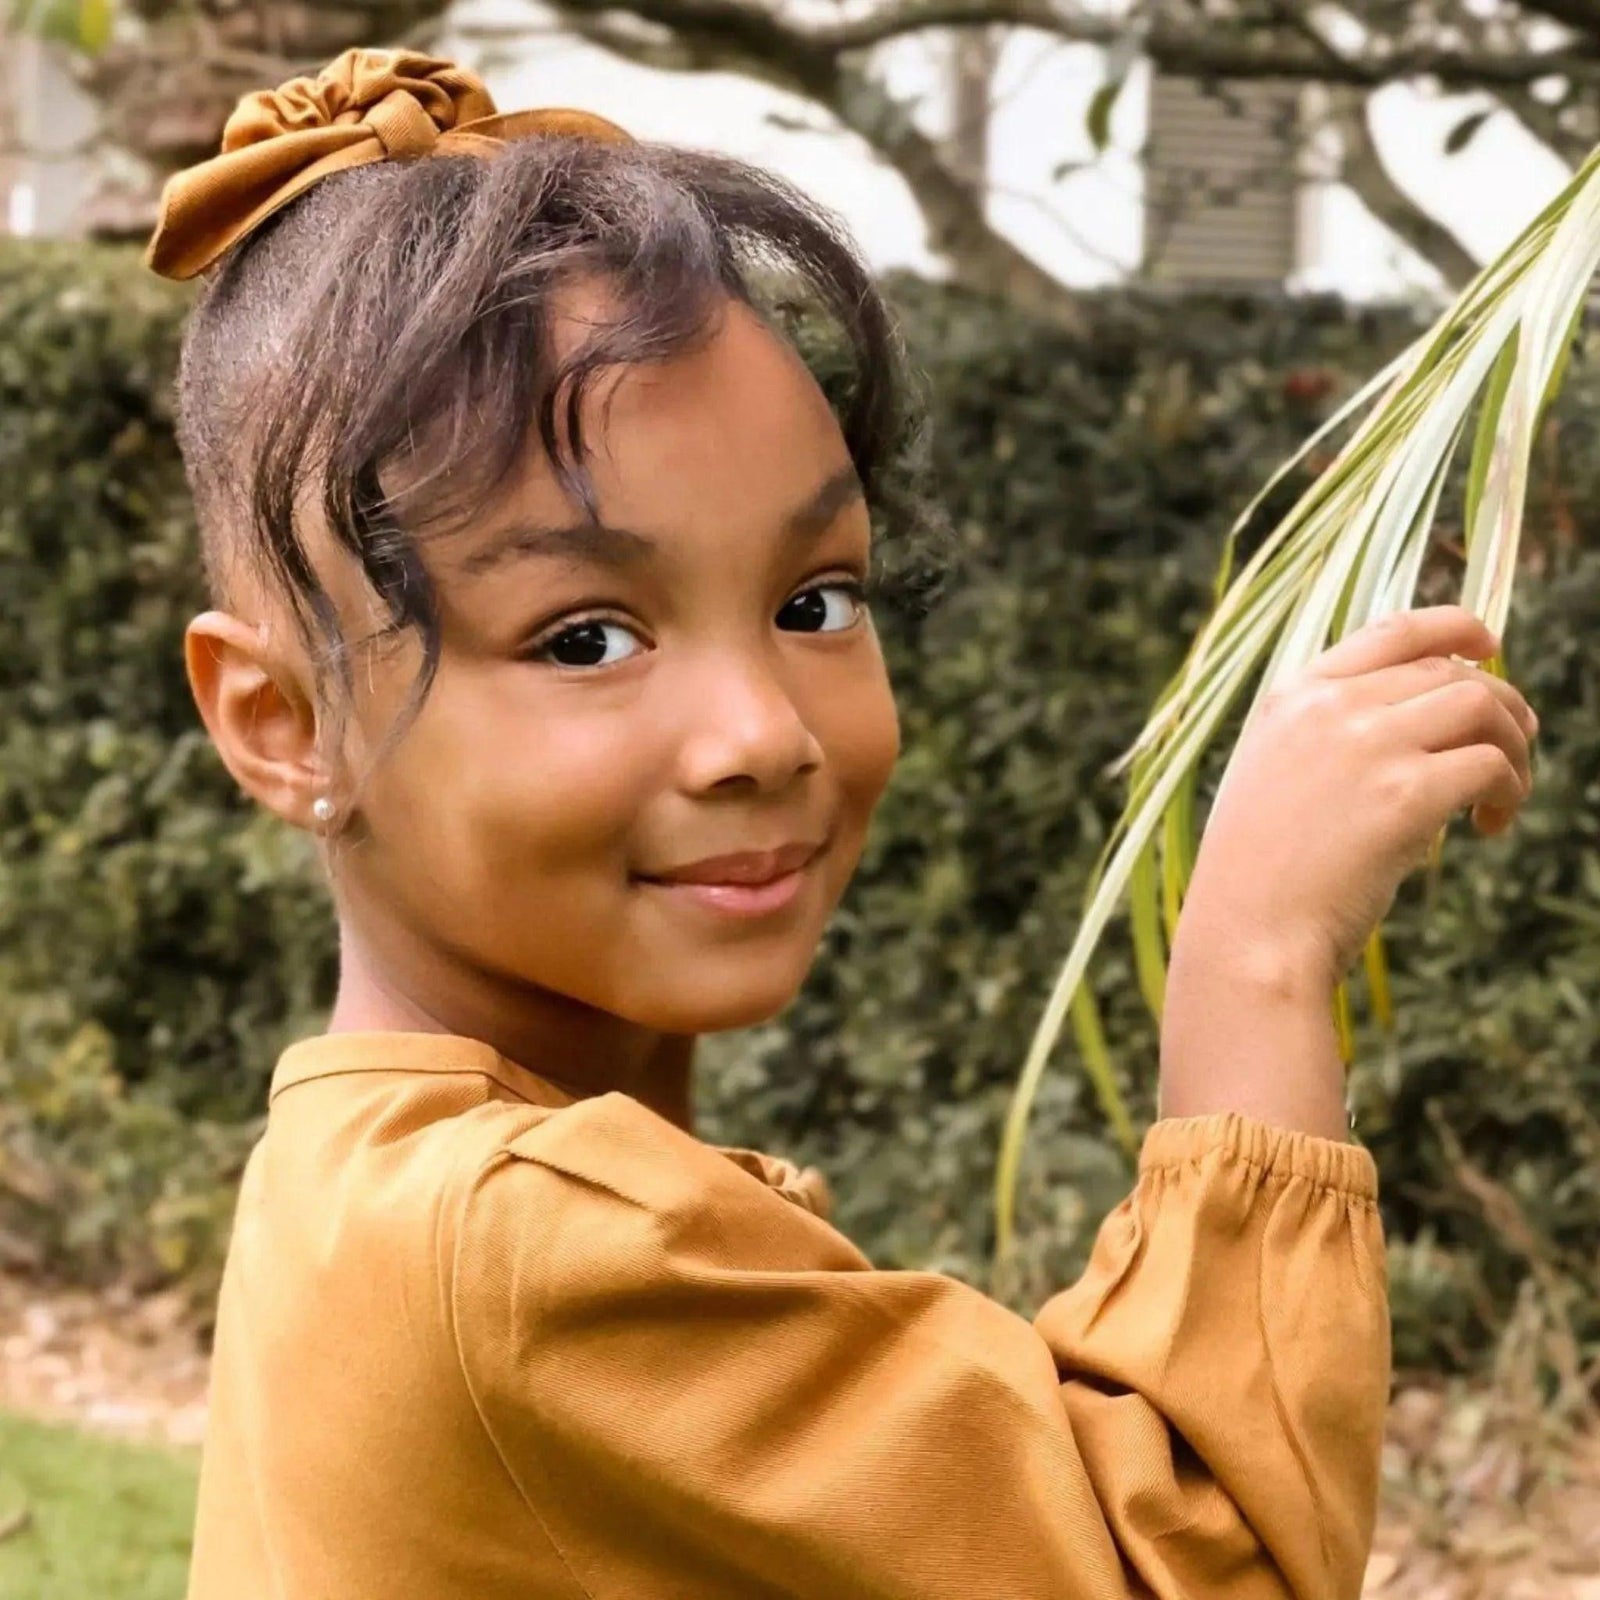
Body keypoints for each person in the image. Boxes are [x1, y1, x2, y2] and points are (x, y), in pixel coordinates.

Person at [154, 48, 1538, 1600]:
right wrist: (1256, 958)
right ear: (283, 724)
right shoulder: (518, 1250)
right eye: (585, 637)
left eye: (815, 601)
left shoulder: (364, 1175)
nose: (763, 733)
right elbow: (1200, 1567)